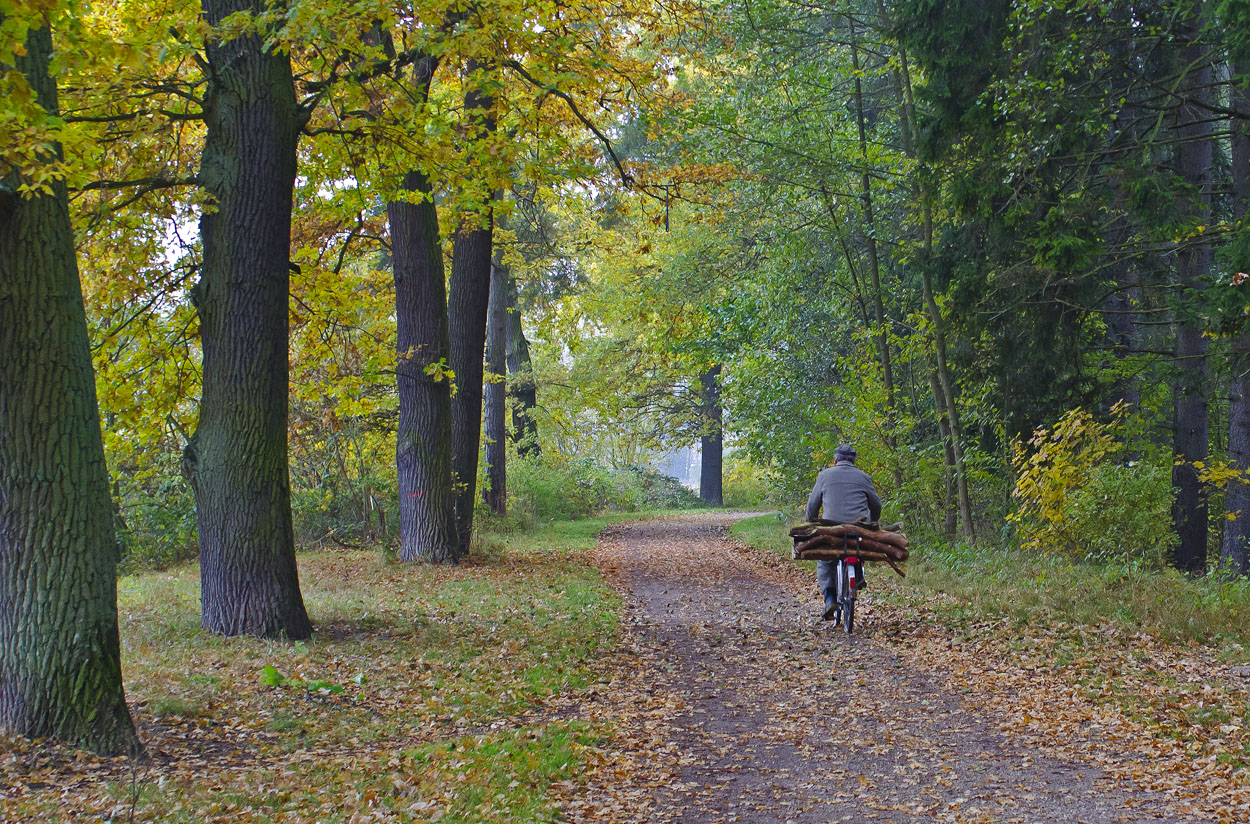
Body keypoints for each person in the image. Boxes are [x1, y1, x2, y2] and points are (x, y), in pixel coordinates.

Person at [805, 444, 881, 622]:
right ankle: (859, 575)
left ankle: (830, 598)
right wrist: (873, 522)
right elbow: (876, 505)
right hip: (858, 528)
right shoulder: (863, 477)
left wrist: (811, 521)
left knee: (825, 560)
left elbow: (812, 505)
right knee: (858, 548)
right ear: (854, 460)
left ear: (836, 460)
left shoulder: (824, 475)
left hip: (833, 530)